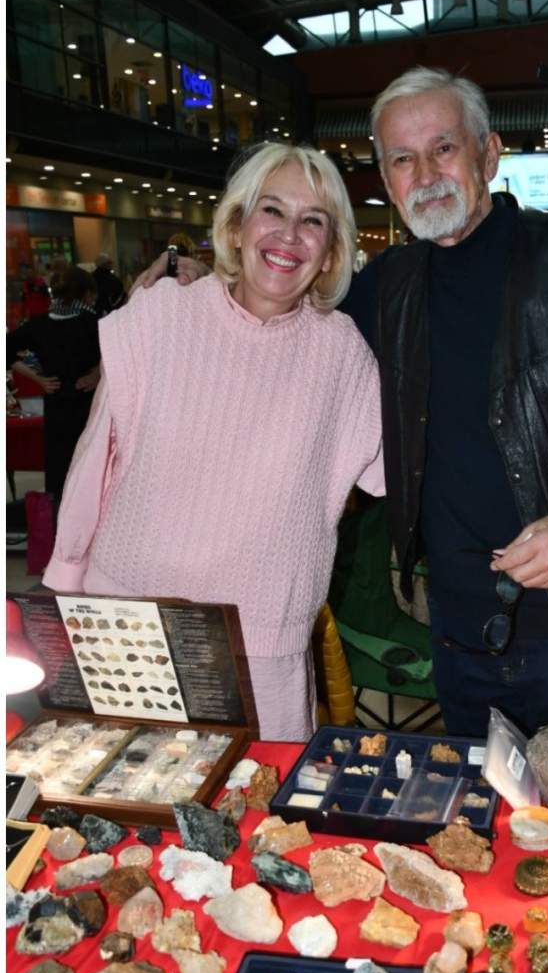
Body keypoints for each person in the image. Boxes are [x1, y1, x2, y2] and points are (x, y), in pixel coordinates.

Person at [135, 68, 548, 765]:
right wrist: (203, 292)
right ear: (385, 177)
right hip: (458, 632)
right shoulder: (382, 290)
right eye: (403, 158)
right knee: (484, 812)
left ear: (488, 155)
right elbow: (276, 321)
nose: (425, 174)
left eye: (443, 148)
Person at [43, 143, 384, 741]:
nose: (289, 235)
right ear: (236, 225)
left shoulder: (344, 353)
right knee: (128, 792)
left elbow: (401, 469)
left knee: (260, 797)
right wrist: (67, 582)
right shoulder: (159, 318)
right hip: (131, 622)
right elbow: (96, 457)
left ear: (331, 250)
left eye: (313, 220)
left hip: (263, 643)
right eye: (271, 210)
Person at [7, 266, 101, 503]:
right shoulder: (94, 323)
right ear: (87, 294)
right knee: (93, 472)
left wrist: (38, 379)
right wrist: (98, 373)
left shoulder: (38, 325)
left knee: (61, 474)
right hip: (90, 406)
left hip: (56, 404)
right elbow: (123, 352)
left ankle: (60, 520)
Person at [92, 253, 127, 318]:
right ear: (106, 264)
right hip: (111, 314)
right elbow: (121, 297)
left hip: (94, 313)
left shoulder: (90, 278)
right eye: (110, 263)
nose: (112, 264)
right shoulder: (113, 280)